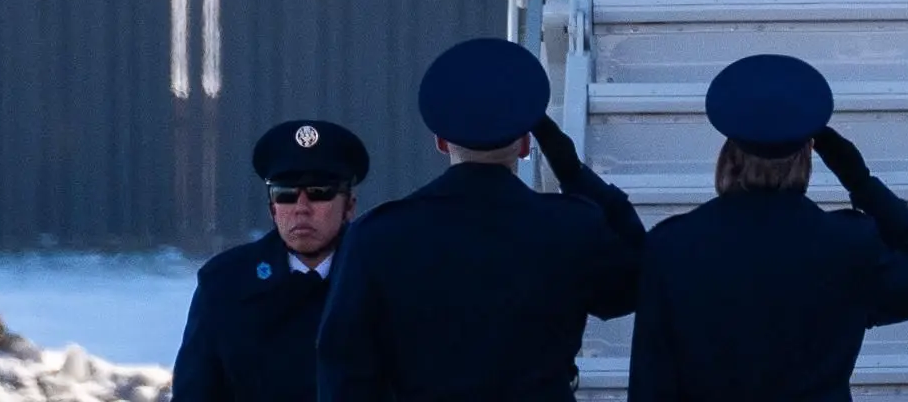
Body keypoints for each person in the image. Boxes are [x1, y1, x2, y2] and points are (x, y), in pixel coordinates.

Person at [316, 38, 643, 402]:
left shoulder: (378, 236)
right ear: (523, 144)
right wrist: (572, 172)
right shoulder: (572, 227)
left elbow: (343, 369)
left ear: (440, 141)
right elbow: (637, 282)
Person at [628, 53, 908, 402]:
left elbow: (651, 382)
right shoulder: (849, 244)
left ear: (729, 156)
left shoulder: (673, 246)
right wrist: (861, 183)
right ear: (807, 156)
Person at [176, 119, 371, 402]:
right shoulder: (225, 285)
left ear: (349, 206)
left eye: (319, 193)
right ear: (272, 208)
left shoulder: (383, 278)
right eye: (286, 195)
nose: (302, 209)